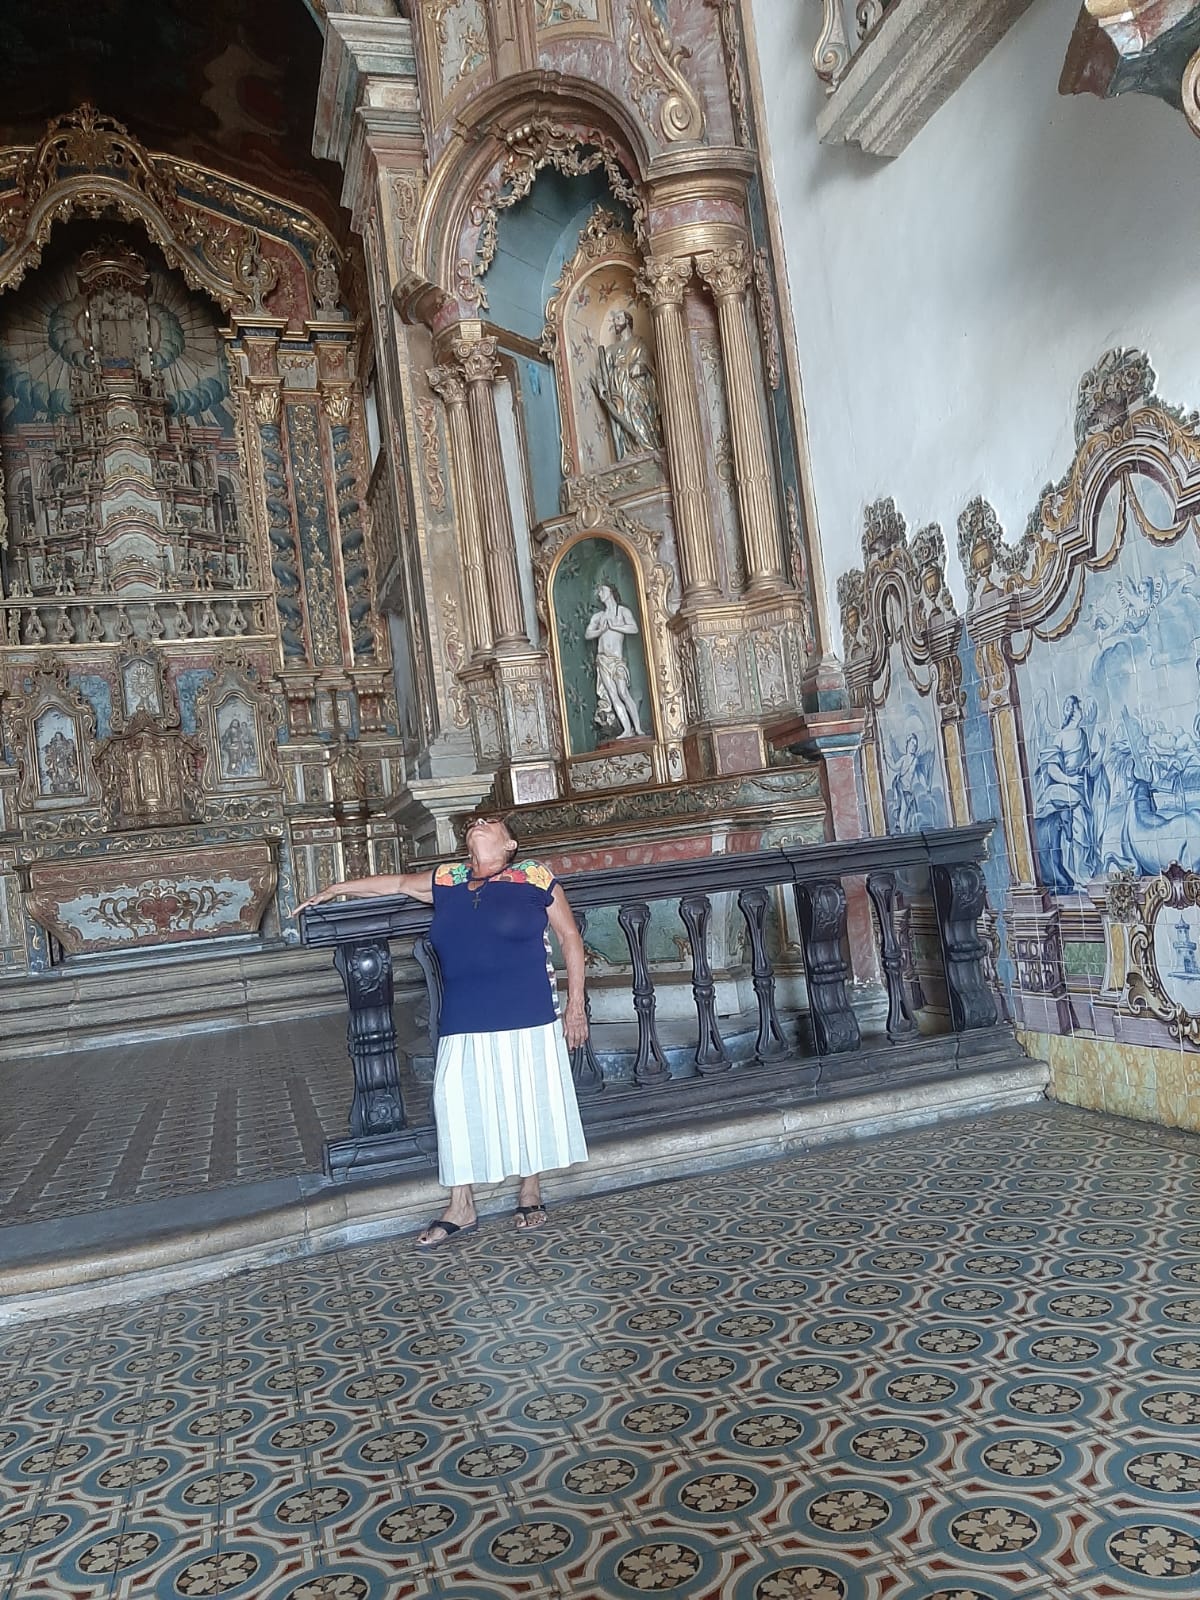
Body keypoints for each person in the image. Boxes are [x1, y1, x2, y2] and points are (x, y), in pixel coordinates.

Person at [299, 815, 589, 1247]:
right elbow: (396, 884)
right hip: (463, 1014)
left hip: (527, 1008)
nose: (479, 823)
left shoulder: (534, 876)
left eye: (491, 822)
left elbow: (568, 937)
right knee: (456, 1100)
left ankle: (530, 1189)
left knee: (528, 1095)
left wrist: (576, 1006)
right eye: (475, 822)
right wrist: (338, 889)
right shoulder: (448, 879)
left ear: (509, 844)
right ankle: (461, 1204)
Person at [593, 308, 661, 458]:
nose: (615, 322)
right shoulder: (610, 350)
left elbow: (646, 360)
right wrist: (602, 386)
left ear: (627, 321)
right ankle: (631, 453)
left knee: (640, 416)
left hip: (637, 388)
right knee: (624, 420)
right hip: (619, 393)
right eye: (615, 319)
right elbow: (601, 371)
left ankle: (648, 448)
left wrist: (639, 365)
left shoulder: (638, 343)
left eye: (618, 318)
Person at [585, 582, 646, 739]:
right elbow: (588, 634)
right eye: (599, 592)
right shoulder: (598, 616)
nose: (599, 594)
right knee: (612, 694)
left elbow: (634, 628)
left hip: (617, 660)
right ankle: (627, 730)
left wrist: (615, 626)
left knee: (623, 692)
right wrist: (601, 630)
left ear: (611, 591)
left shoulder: (622, 612)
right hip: (603, 660)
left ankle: (637, 728)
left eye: (602, 590)